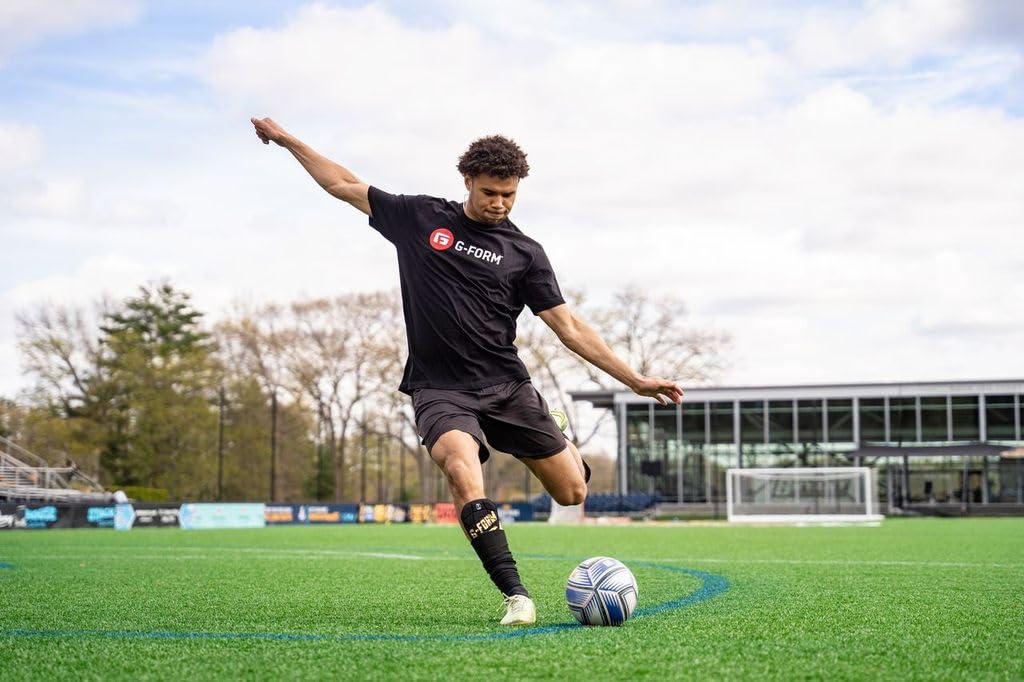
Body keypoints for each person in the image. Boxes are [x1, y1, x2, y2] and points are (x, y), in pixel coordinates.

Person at [251, 117, 684, 625]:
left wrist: (635, 380)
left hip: (506, 386)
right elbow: (343, 184)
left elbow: (568, 327)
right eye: (489, 193)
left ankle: (556, 434)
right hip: (440, 388)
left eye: (509, 195)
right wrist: (287, 141)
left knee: (572, 492)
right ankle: (516, 594)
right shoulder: (420, 218)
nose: (499, 203)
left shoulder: (525, 254)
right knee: (461, 469)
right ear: (468, 181)